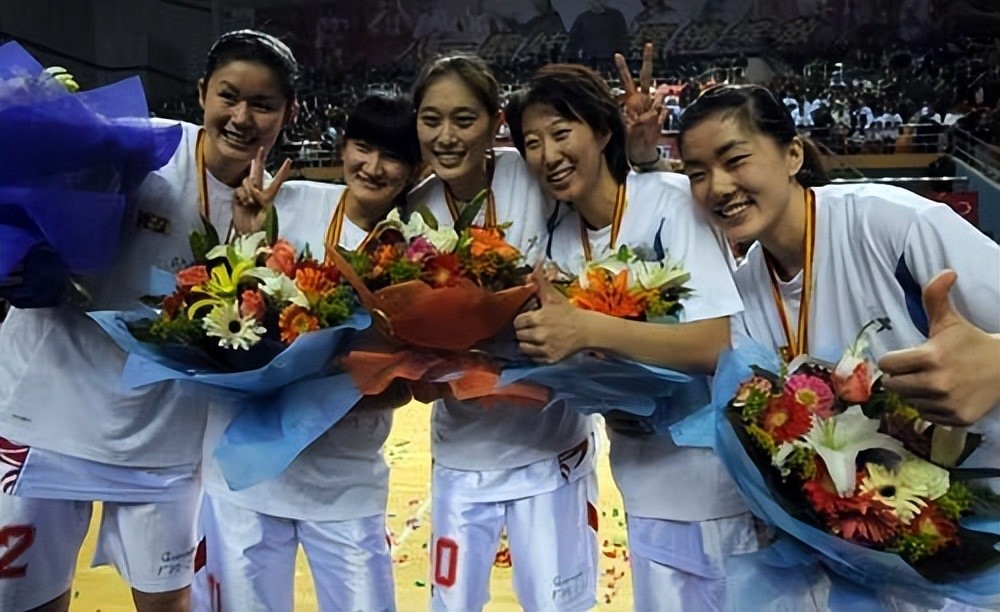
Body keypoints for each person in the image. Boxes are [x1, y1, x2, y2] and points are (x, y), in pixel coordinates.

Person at [0, 29, 298, 612]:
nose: (242, 117)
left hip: (164, 442)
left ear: (289, 113)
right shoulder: (134, 150)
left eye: (263, 105)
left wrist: (253, 244)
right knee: (24, 602)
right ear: (202, 93)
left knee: (167, 605)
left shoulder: (284, 206)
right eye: (229, 96)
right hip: (46, 416)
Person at [676, 83, 999, 607]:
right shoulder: (741, 291)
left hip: (983, 542)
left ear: (793, 155)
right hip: (870, 559)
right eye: (697, 173)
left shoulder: (890, 226)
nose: (718, 186)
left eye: (735, 160)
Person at [505, 63, 756, 612]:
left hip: (715, 484)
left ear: (602, 130)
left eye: (561, 132)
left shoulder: (668, 201)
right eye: (532, 142)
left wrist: (588, 330)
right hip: (640, 482)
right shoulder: (558, 240)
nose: (548, 154)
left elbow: (715, 343)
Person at [194, 93, 421, 612]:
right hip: (245, 476)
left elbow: (411, 386)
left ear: (414, 170)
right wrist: (247, 235)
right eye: (362, 147)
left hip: (345, 481)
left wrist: (345, 386)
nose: (373, 166)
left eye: (392, 156)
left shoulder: (413, 250)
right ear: (343, 149)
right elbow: (215, 313)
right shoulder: (286, 202)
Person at [407, 54, 599, 612]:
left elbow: (605, 196)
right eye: (431, 119)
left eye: (464, 119)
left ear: (495, 123)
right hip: (462, 453)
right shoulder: (413, 211)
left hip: (552, 448)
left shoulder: (534, 175)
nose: (446, 136)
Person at [565, 0, 629, 67]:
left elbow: (623, 40)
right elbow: (573, 44)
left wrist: (623, 60)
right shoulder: (582, 19)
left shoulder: (616, 16)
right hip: (589, 63)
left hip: (612, 63)